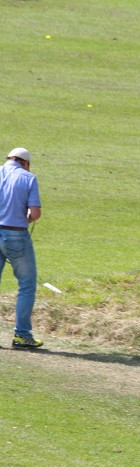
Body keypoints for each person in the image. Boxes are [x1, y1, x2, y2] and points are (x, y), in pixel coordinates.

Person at [0, 147, 43, 349]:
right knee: (26, 285)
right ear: (25, 163)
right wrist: (27, 217)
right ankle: (22, 335)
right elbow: (34, 213)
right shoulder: (28, 178)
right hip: (16, 234)